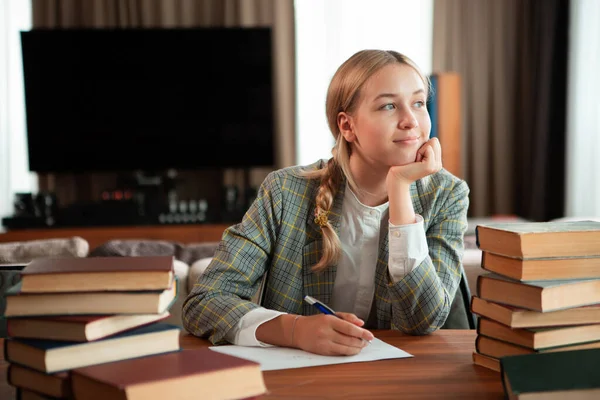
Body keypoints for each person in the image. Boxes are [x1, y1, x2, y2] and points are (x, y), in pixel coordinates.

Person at [183, 49, 469, 356]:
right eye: (388, 105)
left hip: (395, 379)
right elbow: (205, 301)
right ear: (347, 127)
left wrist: (399, 190)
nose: (411, 121)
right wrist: (293, 329)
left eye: (418, 103)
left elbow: (422, 320)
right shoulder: (285, 191)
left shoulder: (448, 195)